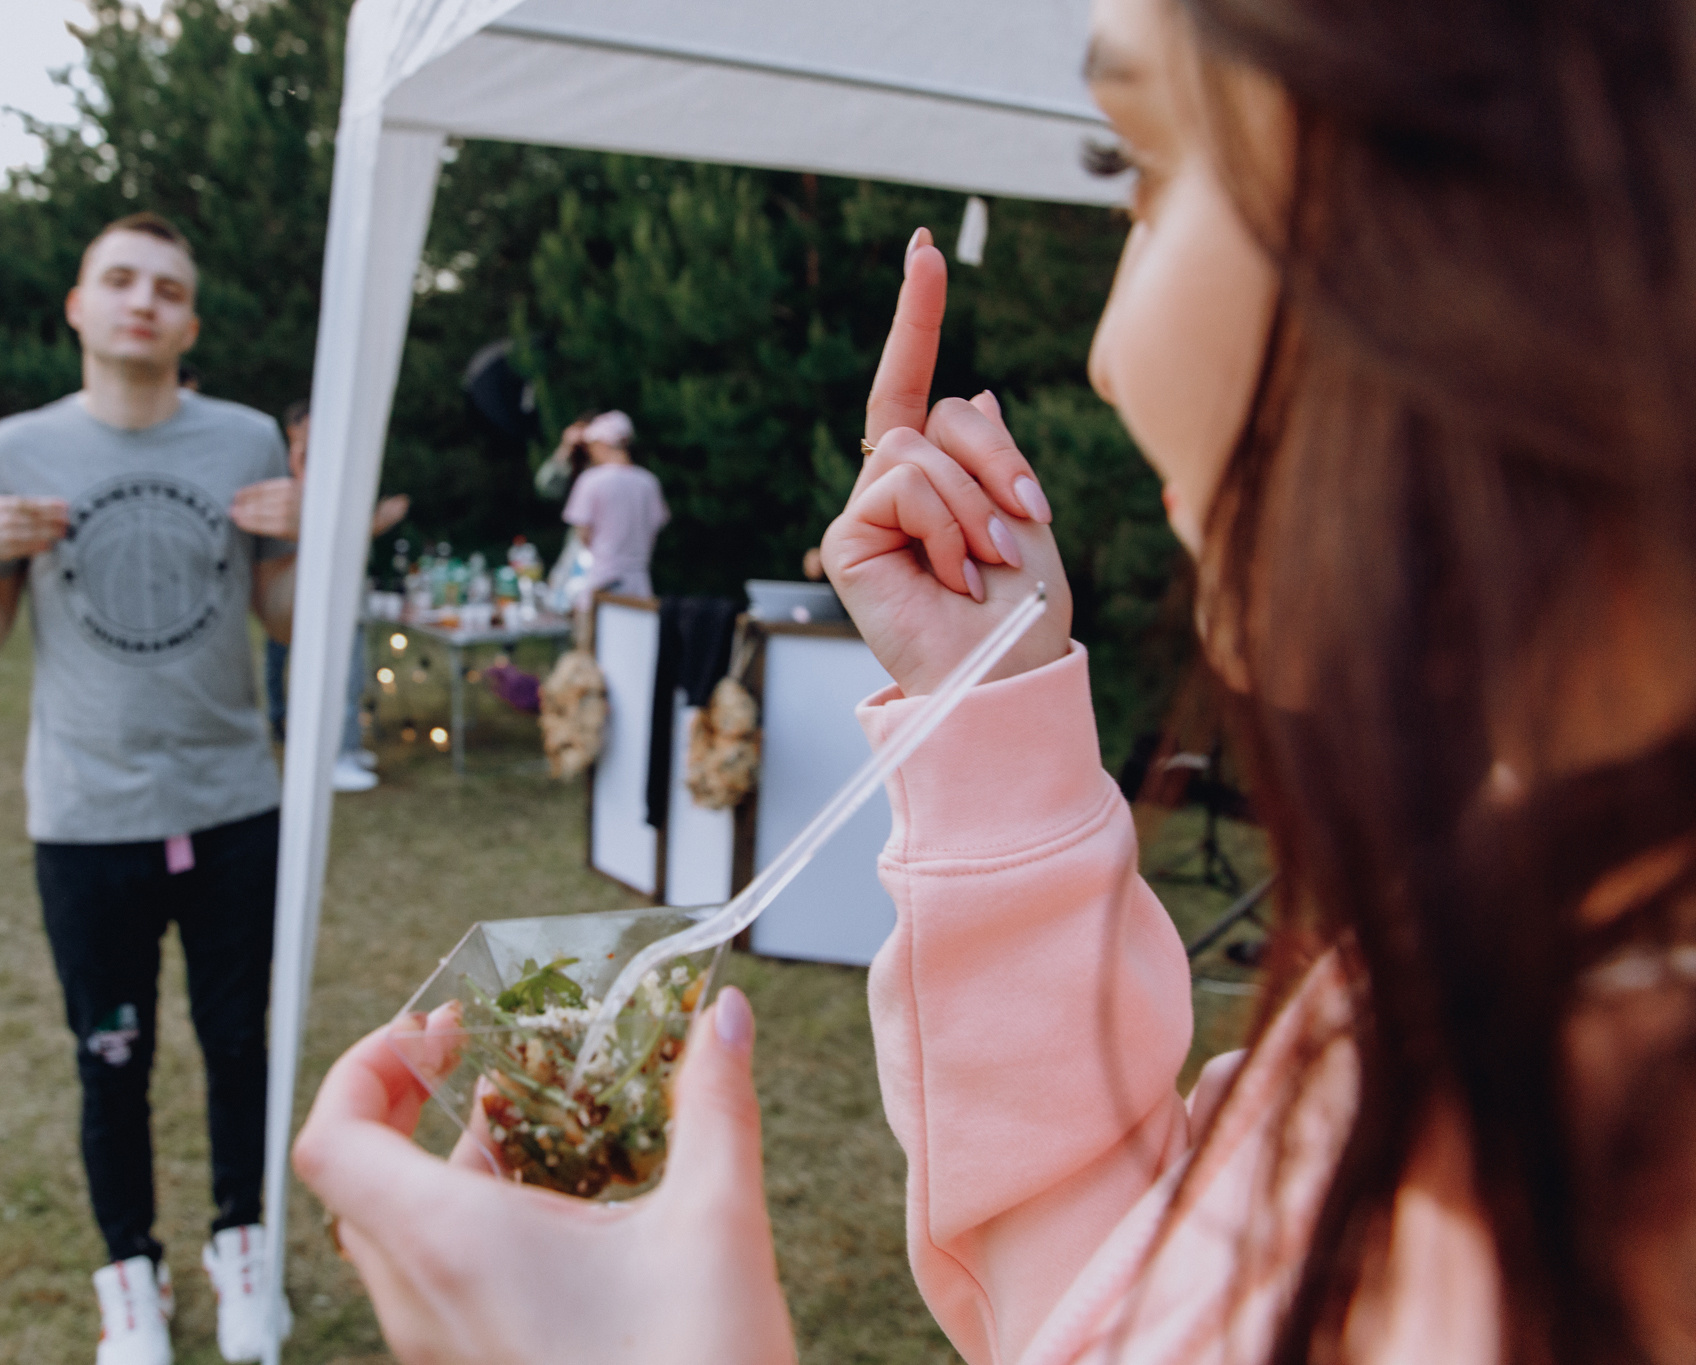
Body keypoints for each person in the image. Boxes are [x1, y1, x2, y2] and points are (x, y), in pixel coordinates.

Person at [287, 0, 1696, 1360]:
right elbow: (1130, 1290)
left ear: (1518, 201)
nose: (1107, 356)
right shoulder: (1537, 953)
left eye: (1134, 166)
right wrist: (994, 706)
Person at [0, 212, 299, 1365]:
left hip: (234, 800)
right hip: (87, 817)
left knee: (241, 1044)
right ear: (78, 307)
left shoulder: (245, 439)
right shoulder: (21, 448)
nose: (143, 300)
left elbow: (280, 619)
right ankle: (128, 1273)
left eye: (167, 287)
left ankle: (242, 1247)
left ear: (189, 322)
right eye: (119, 280)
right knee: (112, 1055)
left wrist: (316, 538)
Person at [263, 398, 409, 791]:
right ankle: (334, 758)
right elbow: (330, 535)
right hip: (321, 592)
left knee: (352, 675)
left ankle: (347, 747)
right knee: (338, 677)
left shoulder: (327, 473)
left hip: (345, 588)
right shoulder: (295, 481)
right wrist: (379, 521)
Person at [556, 409, 669, 599]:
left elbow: (583, 534)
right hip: (639, 583)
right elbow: (654, 528)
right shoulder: (648, 481)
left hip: (600, 581)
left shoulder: (591, 480)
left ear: (602, 444)